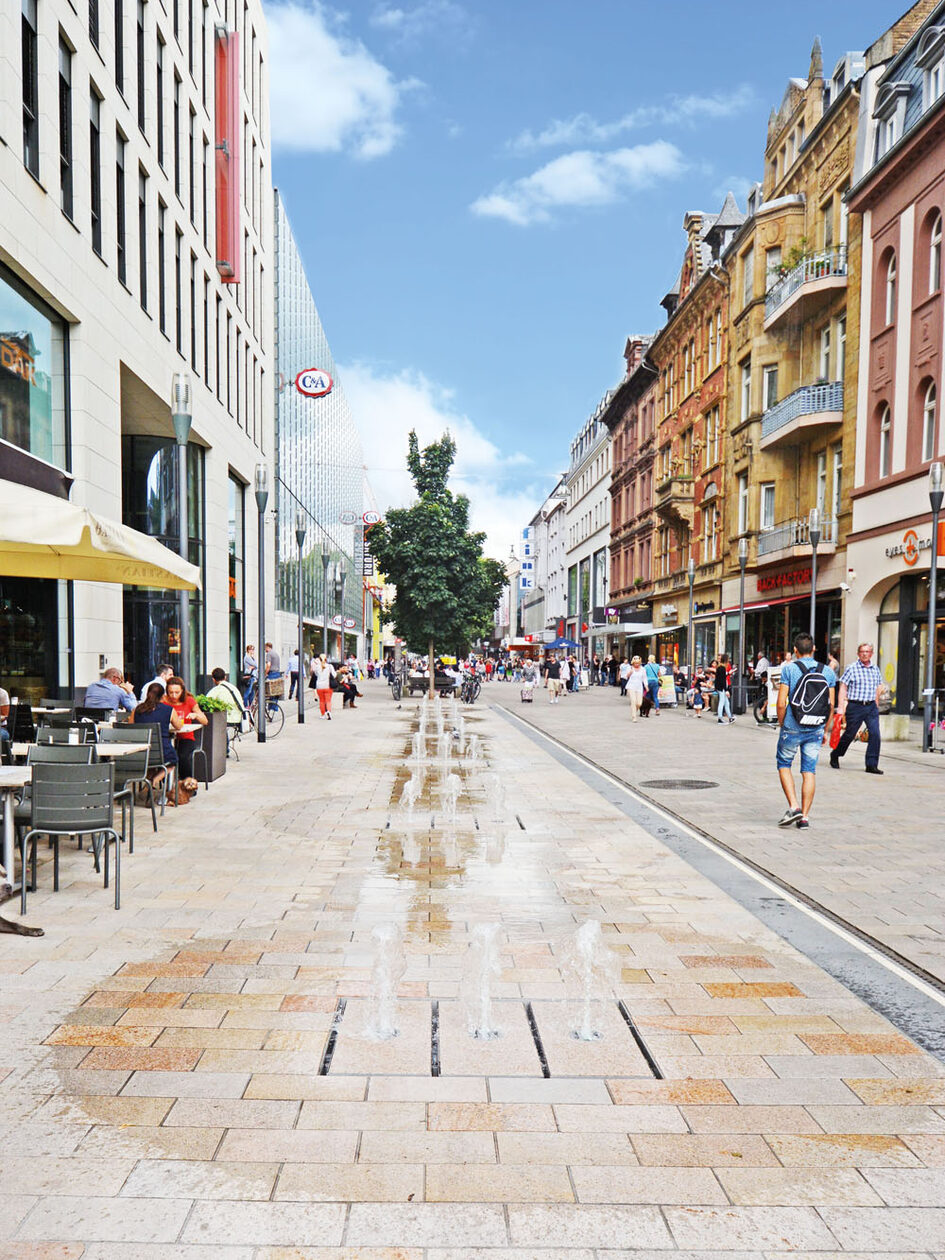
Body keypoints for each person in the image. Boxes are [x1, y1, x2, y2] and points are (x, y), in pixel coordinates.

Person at [775, 632, 836, 829]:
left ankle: (794, 806)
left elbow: (781, 703)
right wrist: (825, 729)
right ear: (814, 649)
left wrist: (783, 723)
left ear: (795, 650)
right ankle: (805, 818)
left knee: (784, 763)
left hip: (792, 725)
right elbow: (831, 705)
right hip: (816, 726)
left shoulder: (789, 669)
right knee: (809, 770)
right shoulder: (828, 672)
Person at [831, 642, 884, 774]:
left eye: (867, 651)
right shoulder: (852, 668)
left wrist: (876, 704)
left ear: (871, 654)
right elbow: (843, 687)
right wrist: (841, 707)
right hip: (855, 706)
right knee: (850, 734)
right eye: (862, 652)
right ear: (858, 654)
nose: (865, 654)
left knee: (875, 734)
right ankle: (836, 754)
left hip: (871, 706)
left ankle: (871, 765)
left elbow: (878, 688)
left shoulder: (875, 669)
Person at [133, 681, 183, 793]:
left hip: (141, 751)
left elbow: (132, 726)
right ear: (163, 696)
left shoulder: (137, 709)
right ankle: (154, 780)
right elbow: (179, 726)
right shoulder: (168, 710)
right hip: (162, 751)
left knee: (150, 764)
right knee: (172, 763)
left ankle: (148, 783)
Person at [162, 676, 207, 792]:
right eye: (170, 692)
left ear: (182, 691)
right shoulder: (163, 701)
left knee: (182, 756)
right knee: (162, 756)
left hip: (186, 737)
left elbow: (205, 721)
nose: (174, 695)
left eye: (177, 692)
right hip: (167, 736)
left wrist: (196, 715)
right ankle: (167, 786)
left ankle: (187, 786)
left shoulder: (189, 701)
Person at [312, 654, 336, 719]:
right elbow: (334, 675)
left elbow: (316, 674)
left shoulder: (317, 667)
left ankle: (322, 714)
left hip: (319, 686)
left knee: (321, 701)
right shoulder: (330, 666)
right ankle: (328, 711)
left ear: (319, 659)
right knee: (328, 700)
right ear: (326, 659)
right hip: (328, 686)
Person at [714, 655, 734, 724]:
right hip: (722, 688)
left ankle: (730, 717)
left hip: (720, 687)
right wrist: (726, 690)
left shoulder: (719, 667)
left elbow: (721, 677)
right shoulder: (722, 668)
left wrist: (728, 673)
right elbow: (723, 680)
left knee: (726, 703)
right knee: (722, 702)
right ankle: (720, 718)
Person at [626, 655, 647, 722]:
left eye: (638, 663)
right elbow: (626, 676)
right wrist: (630, 672)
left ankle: (635, 710)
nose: (637, 664)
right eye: (635, 663)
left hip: (639, 687)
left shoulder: (643, 669)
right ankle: (634, 717)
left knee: (639, 703)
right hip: (631, 686)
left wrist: (646, 686)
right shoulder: (630, 668)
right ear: (633, 663)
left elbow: (644, 678)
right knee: (633, 701)